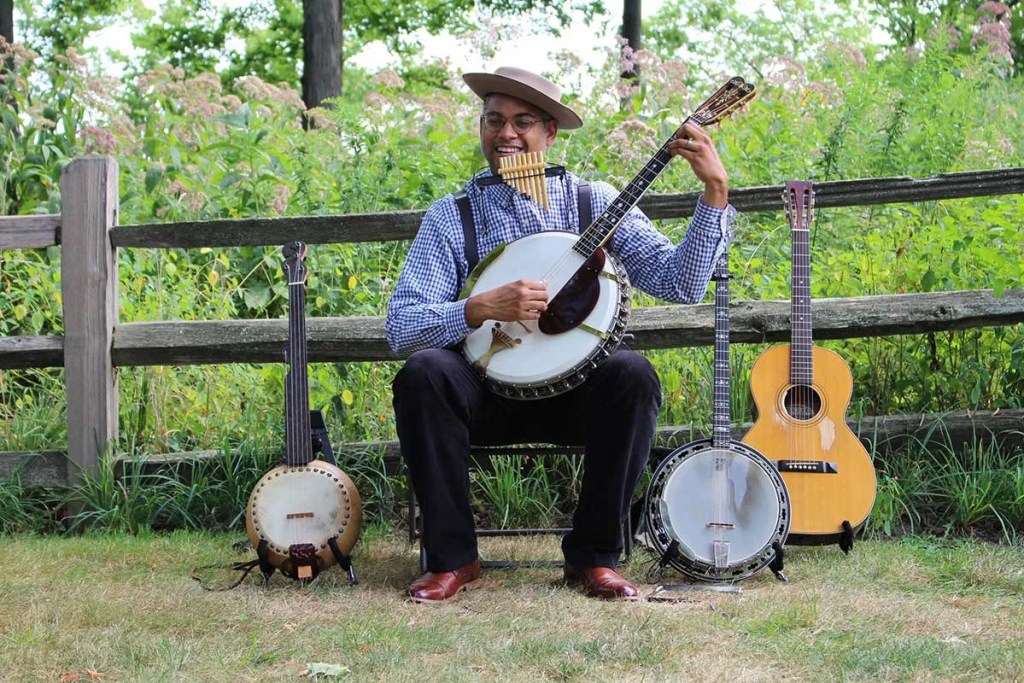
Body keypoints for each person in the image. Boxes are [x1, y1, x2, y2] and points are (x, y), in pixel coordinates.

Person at [386, 66, 735, 602]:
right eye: (493, 120)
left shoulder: (594, 202)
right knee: (424, 372)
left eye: (523, 122)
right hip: (485, 394)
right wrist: (476, 308)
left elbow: (681, 282)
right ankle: (453, 559)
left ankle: (594, 559)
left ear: (550, 134)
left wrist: (714, 191)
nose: (506, 134)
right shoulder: (451, 218)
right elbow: (402, 326)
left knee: (632, 373)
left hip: (577, 392)